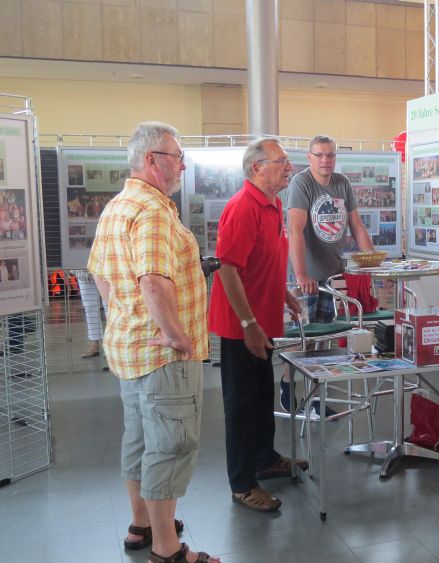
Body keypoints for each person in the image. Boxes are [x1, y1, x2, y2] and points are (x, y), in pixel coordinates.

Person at [88, 121, 219, 562]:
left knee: (140, 439)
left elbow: (101, 275)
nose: (182, 166)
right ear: (151, 160)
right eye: (177, 157)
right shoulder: (153, 211)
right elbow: (152, 279)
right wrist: (176, 333)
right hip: (163, 356)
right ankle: (167, 549)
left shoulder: (118, 206)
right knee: (170, 446)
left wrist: (127, 316)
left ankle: (141, 524)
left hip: (132, 351)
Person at [208, 138, 309, 513]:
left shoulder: (274, 203)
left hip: (262, 320)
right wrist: (248, 323)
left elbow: (262, 259)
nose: (289, 167)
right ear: (257, 168)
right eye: (281, 161)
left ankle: (265, 459)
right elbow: (227, 268)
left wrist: (282, 293)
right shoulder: (242, 207)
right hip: (242, 325)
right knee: (241, 404)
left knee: (262, 395)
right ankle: (242, 483)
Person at [282, 134, 374, 416]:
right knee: (304, 338)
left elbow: (356, 225)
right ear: (309, 158)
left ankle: (315, 397)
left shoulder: (342, 183)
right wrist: (301, 274)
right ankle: (288, 384)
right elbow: (295, 230)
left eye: (330, 155)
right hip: (307, 276)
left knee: (325, 338)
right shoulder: (301, 183)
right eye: (319, 155)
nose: (325, 160)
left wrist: (371, 261)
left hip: (333, 271)